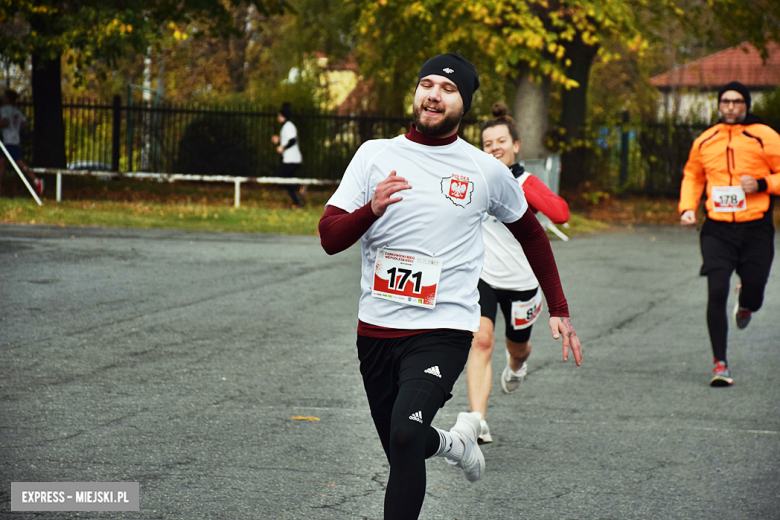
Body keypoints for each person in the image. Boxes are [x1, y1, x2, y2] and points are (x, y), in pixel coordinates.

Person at [318, 53, 582, 520]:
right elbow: (330, 237)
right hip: (376, 330)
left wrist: (558, 306)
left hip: (444, 329)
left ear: (465, 104)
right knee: (407, 446)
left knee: (404, 436)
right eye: (427, 84)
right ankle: (455, 442)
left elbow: (533, 233)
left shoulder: (484, 170)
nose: (433, 94)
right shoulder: (374, 154)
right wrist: (370, 211)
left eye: (448, 88)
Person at [467, 101, 570, 444]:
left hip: (522, 282)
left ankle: (517, 365)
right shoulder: (477, 179)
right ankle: (478, 420)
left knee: (518, 347)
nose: (494, 148)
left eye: (500, 141)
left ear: (515, 145)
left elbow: (561, 213)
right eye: (487, 144)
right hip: (483, 276)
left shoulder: (528, 181)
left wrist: (522, 193)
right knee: (481, 340)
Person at [679, 81, 780, 387]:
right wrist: (687, 207)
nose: (731, 107)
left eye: (737, 101)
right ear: (719, 105)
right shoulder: (705, 140)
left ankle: (747, 302)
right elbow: (693, 175)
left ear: (746, 105)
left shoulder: (764, 136)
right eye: (726, 101)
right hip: (717, 229)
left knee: (755, 290)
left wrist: (762, 185)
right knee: (717, 289)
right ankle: (719, 364)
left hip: (756, 228)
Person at [0, 89, 42, 196]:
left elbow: (5, 122)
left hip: (8, 141)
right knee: (3, 163)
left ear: (7, 98)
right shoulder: (16, 111)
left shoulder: (4, 109)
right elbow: (25, 123)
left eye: (4, 96)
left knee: (17, 163)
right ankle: (36, 180)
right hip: (14, 140)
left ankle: (36, 180)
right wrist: (16, 128)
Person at [271, 102, 303, 207]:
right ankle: (296, 201)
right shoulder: (286, 127)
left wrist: (282, 147)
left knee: (282, 178)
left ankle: (299, 189)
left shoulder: (288, 126)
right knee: (286, 180)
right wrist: (279, 141)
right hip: (290, 159)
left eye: (279, 116)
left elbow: (293, 140)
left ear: (282, 116)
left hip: (292, 159)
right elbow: (288, 140)